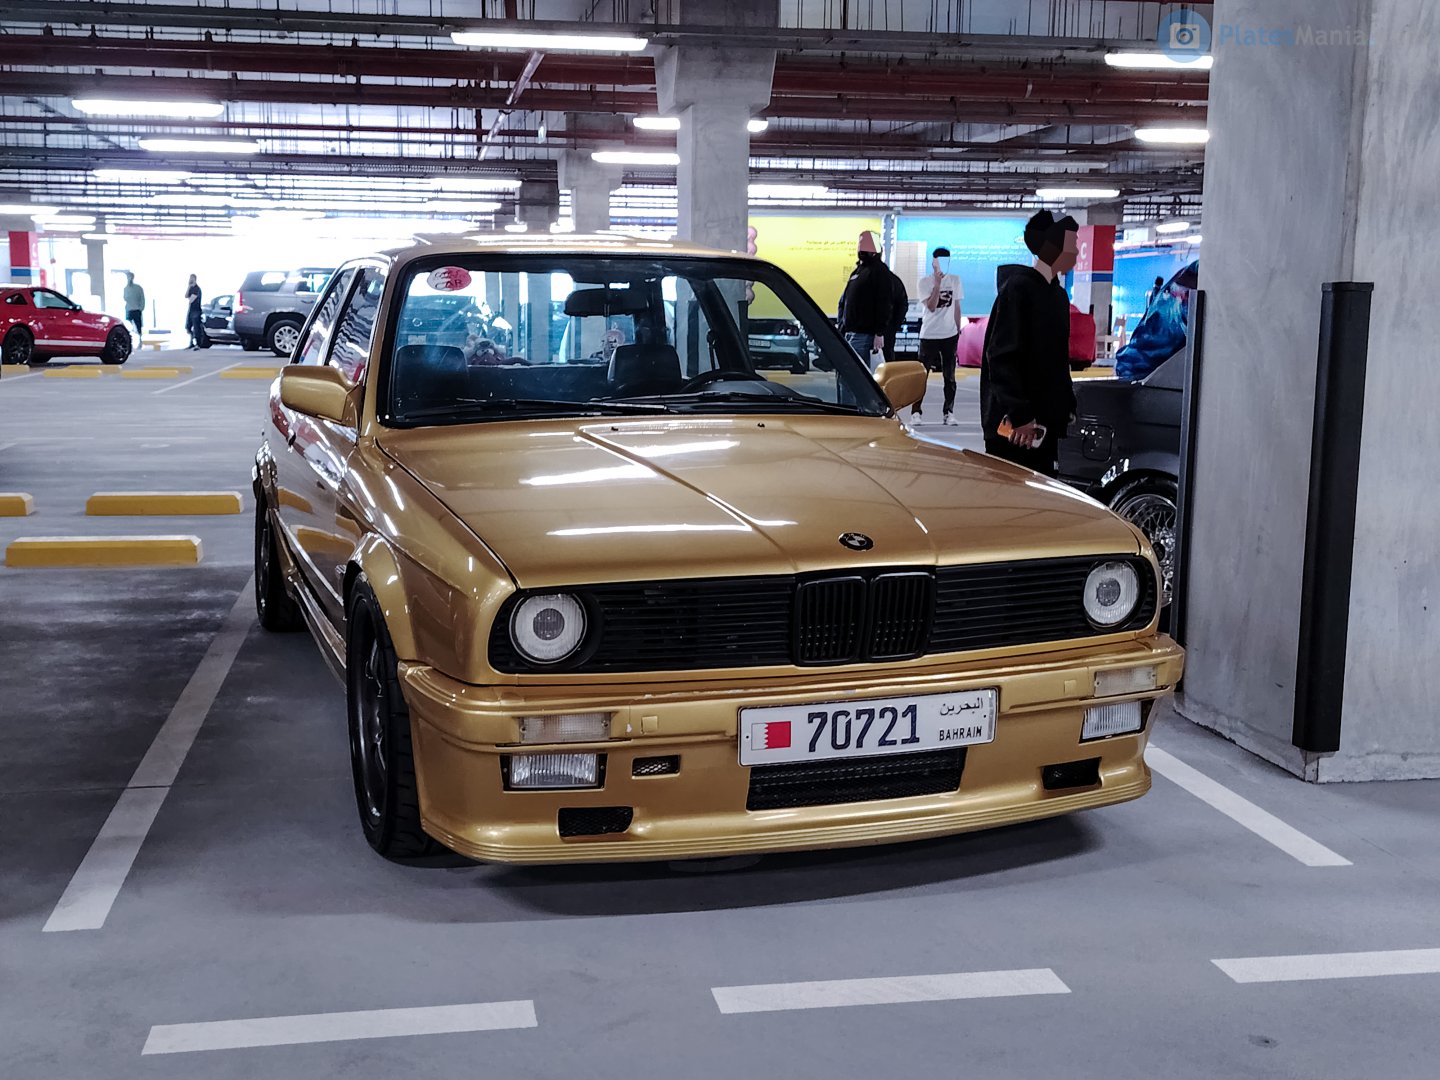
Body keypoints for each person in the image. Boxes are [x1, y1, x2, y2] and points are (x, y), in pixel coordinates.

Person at [979, 210, 1079, 477]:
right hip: (1017, 428)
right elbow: (1001, 356)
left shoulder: (1057, 296)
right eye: (1072, 243)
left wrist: (1065, 406)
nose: (1076, 251)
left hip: (1045, 424)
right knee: (1013, 496)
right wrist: (1020, 414)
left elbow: (1057, 359)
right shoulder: (1018, 289)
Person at [910, 246, 964, 426]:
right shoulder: (924, 282)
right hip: (929, 334)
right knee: (921, 376)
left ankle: (949, 412)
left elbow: (957, 308)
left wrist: (957, 331)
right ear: (934, 262)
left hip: (949, 335)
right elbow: (931, 306)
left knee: (950, 377)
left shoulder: (955, 280)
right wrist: (938, 285)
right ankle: (916, 412)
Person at [837, 230, 893, 369]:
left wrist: (879, 333)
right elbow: (845, 300)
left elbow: (884, 302)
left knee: (855, 373)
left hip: (865, 336)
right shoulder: (857, 271)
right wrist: (841, 326)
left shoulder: (880, 271)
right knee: (847, 373)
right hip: (849, 333)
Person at [882, 266, 909, 366]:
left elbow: (902, 305)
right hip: (887, 330)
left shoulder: (890, 280)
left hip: (885, 331)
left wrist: (892, 327)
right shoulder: (894, 279)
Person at [184, 274, 205, 349]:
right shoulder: (191, 288)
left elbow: (191, 300)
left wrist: (190, 298)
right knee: (188, 326)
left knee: (196, 328)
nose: (190, 280)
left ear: (195, 279)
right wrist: (188, 287)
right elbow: (186, 296)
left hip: (196, 311)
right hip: (191, 310)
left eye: (191, 278)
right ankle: (191, 342)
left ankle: (198, 344)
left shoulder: (197, 289)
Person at [121, 272, 145, 339]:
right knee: (128, 326)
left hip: (136, 309)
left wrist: (141, 308)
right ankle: (129, 338)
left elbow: (142, 298)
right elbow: (125, 298)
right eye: (128, 277)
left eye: (130, 277)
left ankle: (140, 338)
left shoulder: (138, 288)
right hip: (129, 309)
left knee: (138, 325)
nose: (129, 278)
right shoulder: (126, 288)